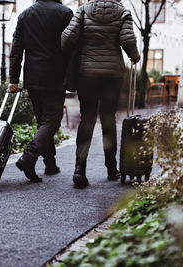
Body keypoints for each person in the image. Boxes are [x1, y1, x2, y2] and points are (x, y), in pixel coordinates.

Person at [61, 0, 140, 187]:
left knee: (87, 117)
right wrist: (134, 54)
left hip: (86, 73)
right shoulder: (123, 12)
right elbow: (127, 40)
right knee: (108, 118)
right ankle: (111, 168)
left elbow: (66, 39)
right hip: (112, 75)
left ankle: (79, 169)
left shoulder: (82, 11)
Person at [8, 0, 73, 182]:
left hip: (33, 77)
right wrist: (71, 77)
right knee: (51, 122)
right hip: (55, 76)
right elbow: (72, 49)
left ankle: (50, 164)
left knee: (43, 122)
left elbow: (16, 50)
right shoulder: (65, 13)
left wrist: (14, 79)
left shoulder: (26, 15)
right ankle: (29, 157)